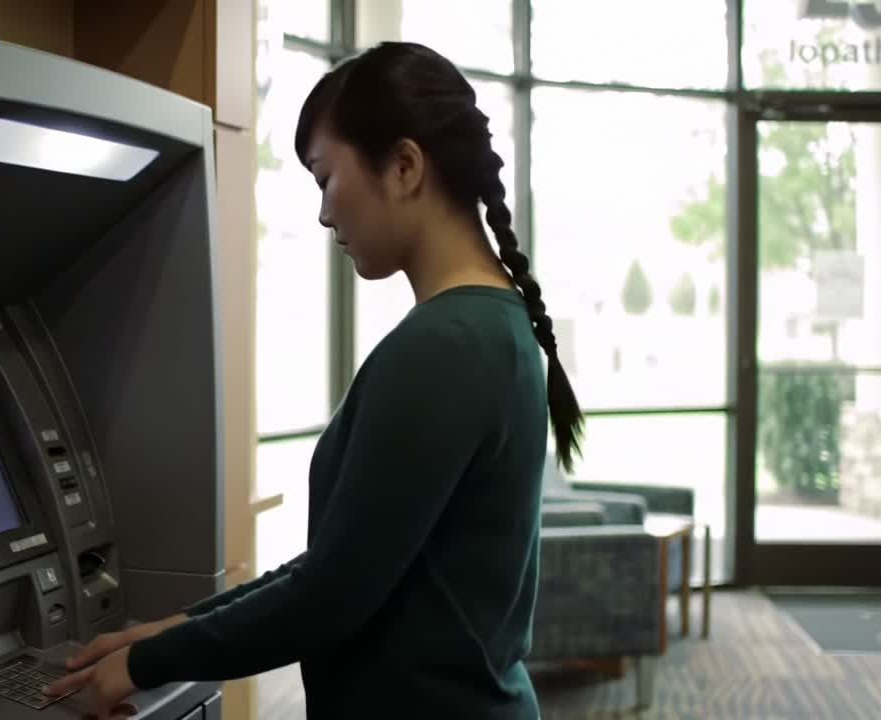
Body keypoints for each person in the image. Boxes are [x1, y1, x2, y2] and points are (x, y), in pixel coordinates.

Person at [44, 41, 584, 719]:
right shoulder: (491, 328)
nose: (326, 213)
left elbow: (330, 598)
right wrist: (169, 630)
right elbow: (345, 565)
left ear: (405, 166)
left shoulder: (446, 346)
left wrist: (148, 664)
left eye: (327, 178)